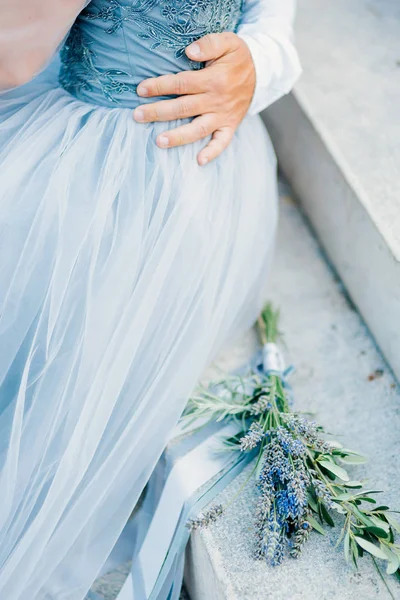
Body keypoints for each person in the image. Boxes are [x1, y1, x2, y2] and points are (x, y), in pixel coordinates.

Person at [0, 1, 300, 598]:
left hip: (187, 182)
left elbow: (275, 25)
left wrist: (258, 64)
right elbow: (14, 54)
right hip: (76, 150)